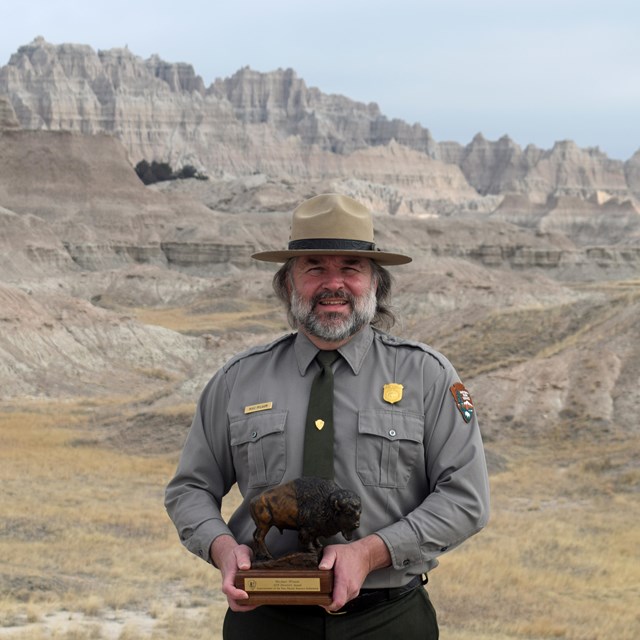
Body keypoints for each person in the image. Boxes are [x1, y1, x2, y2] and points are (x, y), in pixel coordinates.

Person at [165, 194, 490, 639]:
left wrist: (373, 552)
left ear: (375, 282)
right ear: (288, 283)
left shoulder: (428, 377)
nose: (333, 283)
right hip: (265, 621)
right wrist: (222, 548)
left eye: (351, 268)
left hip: (390, 620)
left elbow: (466, 499)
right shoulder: (237, 380)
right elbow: (190, 488)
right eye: (314, 267)